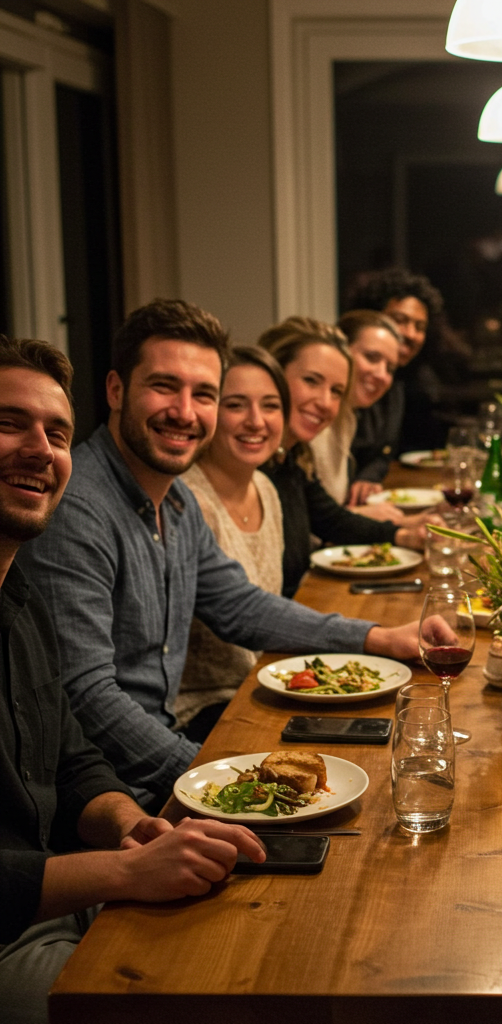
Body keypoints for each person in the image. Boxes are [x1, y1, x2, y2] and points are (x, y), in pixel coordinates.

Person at [15, 300, 422, 812]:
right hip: (108, 793)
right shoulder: (80, 507)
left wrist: (378, 637)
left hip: (167, 760)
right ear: (116, 390)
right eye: (165, 386)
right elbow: (86, 694)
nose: (185, 412)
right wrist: (215, 779)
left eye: (203, 393)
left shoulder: (176, 500)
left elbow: (241, 605)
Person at [0, 336, 265, 1024]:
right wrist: (124, 869)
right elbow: (95, 699)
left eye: (55, 432)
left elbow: (71, 753)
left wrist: (132, 823)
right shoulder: (82, 517)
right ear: (118, 392)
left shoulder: (16, 591)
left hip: (68, 882)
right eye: (8, 424)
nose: (41, 449)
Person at [259, 315, 428, 599]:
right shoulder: (253, 467)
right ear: (274, 374)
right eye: (311, 381)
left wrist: (406, 535)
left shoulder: (290, 457)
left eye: (337, 391)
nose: (325, 403)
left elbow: (330, 518)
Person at [177, 346, 288, 741]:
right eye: (236, 405)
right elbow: (242, 611)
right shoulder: (188, 501)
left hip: (264, 687)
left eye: (271, 406)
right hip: (204, 712)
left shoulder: (266, 489)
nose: (256, 421)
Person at [343, 268, 444, 502]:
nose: (410, 334)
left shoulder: (396, 383)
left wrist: (368, 477)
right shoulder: (341, 391)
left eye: (420, 327)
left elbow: (384, 452)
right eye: (400, 320)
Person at [309, 309, 404, 514]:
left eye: (390, 368)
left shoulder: (347, 418)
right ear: (341, 352)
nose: (382, 375)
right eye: (371, 357)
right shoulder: (311, 420)